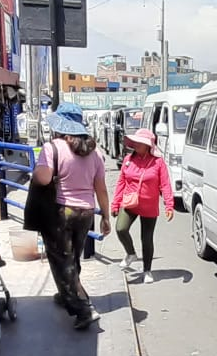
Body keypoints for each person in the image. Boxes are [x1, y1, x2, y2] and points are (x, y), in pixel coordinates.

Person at [33, 103, 112, 330]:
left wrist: (37, 174)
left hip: (61, 212)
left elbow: (44, 178)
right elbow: (101, 188)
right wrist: (106, 217)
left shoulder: (53, 148)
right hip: (86, 213)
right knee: (73, 257)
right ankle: (66, 293)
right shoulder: (96, 152)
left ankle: (82, 309)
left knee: (61, 262)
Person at [111, 128, 174, 284]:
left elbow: (165, 185)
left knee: (146, 239)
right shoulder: (128, 159)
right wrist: (115, 203)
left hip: (149, 206)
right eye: (136, 142)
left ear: (148, 146)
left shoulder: (158, 162)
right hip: (130, 202)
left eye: (140, 143)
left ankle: (147, 270)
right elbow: (121, 182)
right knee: (120, 228)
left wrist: (169, 205)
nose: (136, 145)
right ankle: (131, 253)